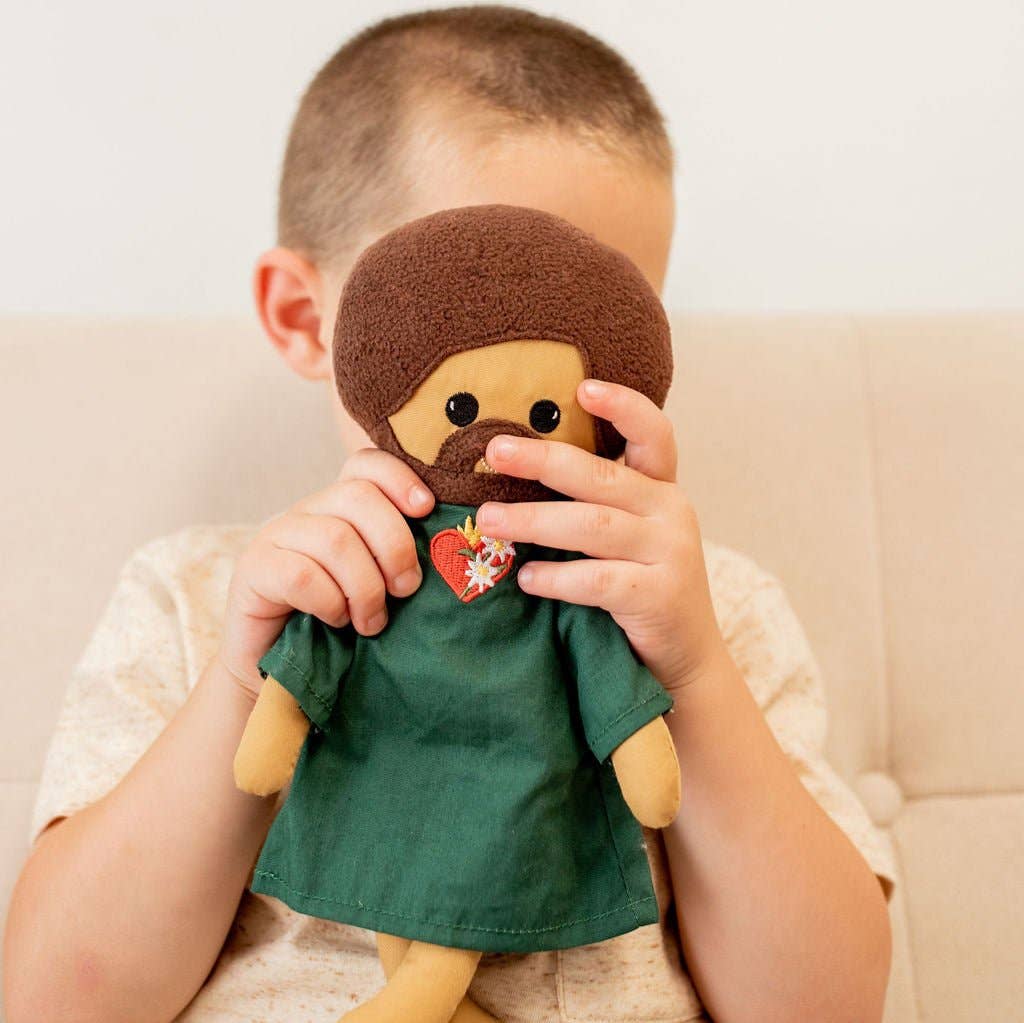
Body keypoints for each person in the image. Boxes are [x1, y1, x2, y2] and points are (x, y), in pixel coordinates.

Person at [3, 8, 894, 1023]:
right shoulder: (196, 597)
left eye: (605, 322)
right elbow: (52, 1002)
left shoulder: (714, 610)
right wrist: (241, 683)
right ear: (307, 319)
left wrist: (688, 675)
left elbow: (823, 1007)